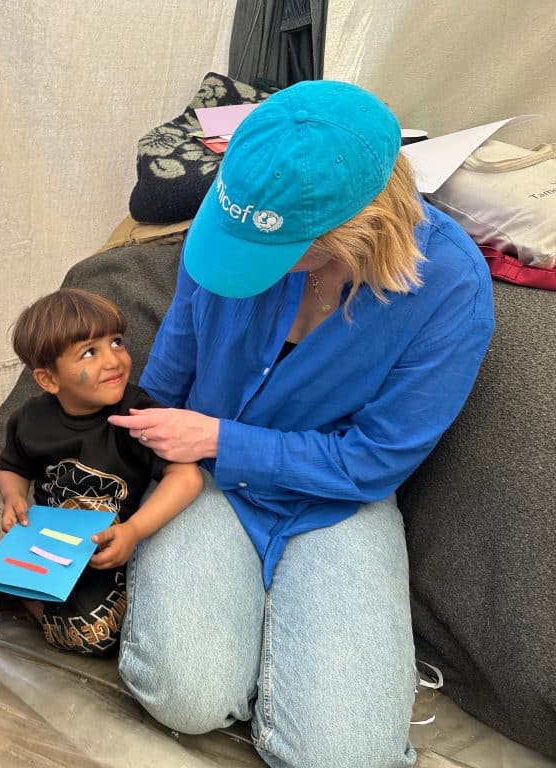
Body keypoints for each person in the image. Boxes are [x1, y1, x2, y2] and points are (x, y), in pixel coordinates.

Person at [107, 80, 495, 768]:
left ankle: (281, 658)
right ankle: (244, 649)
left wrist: (222, 440)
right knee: (182, 694)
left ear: (358, 226)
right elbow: (174, 362)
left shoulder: (451, 291)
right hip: (203, 479)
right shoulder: (237, 212)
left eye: (286, 252)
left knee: (341, 755)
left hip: (338, 500)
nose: (246, 267)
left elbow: (373, 463)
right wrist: (118, 465)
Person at [0, 288, 202, 656]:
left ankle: (8, 582)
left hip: (109, 547)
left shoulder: (137, 415)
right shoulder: (30, 419)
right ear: (48, 380)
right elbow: (12, 466)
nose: (114, 360)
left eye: (117, 342)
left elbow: (187, 477)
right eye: (90, 352)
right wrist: (13, 497)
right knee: (89, 631)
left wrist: (134, 532)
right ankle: (1, 581)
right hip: (48, 541)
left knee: (110, 632)